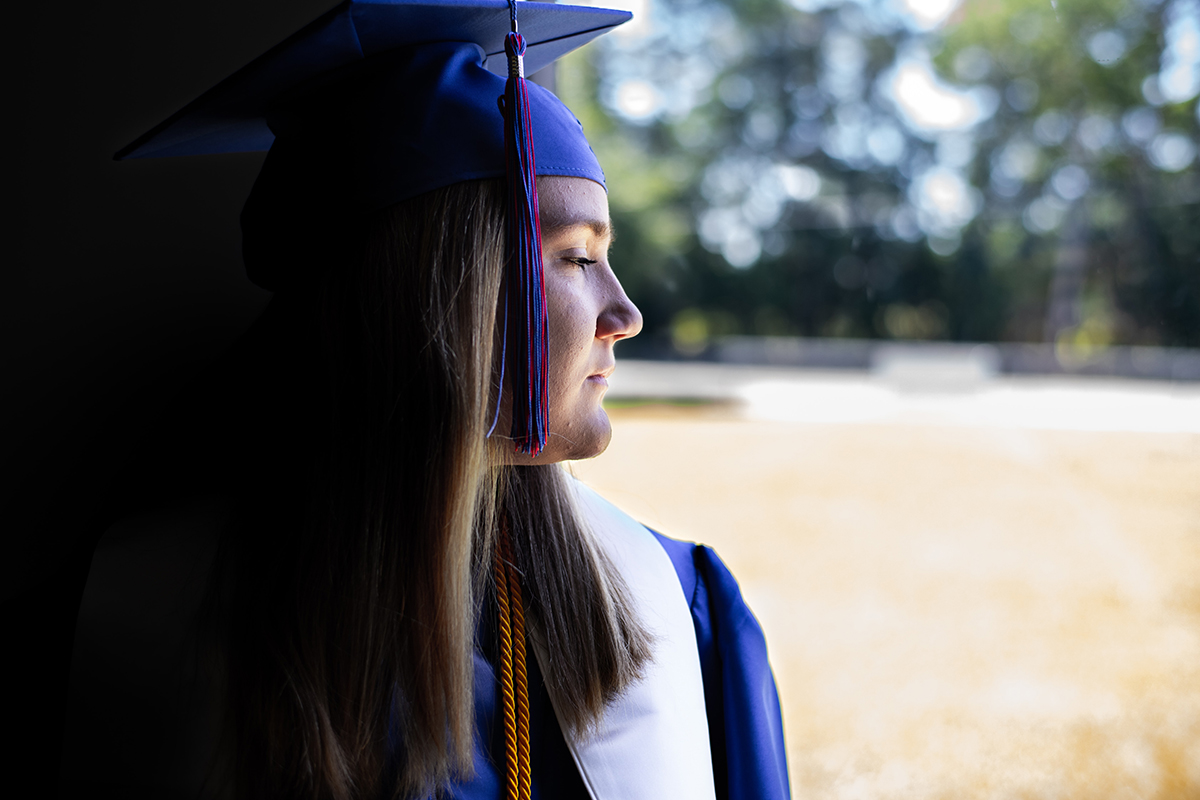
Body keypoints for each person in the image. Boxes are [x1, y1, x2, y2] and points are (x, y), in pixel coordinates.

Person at [61, 2, 790, 799]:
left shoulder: (675, 601)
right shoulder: (133, 613)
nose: (626, 315)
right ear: (438, 294)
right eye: (578, 258)